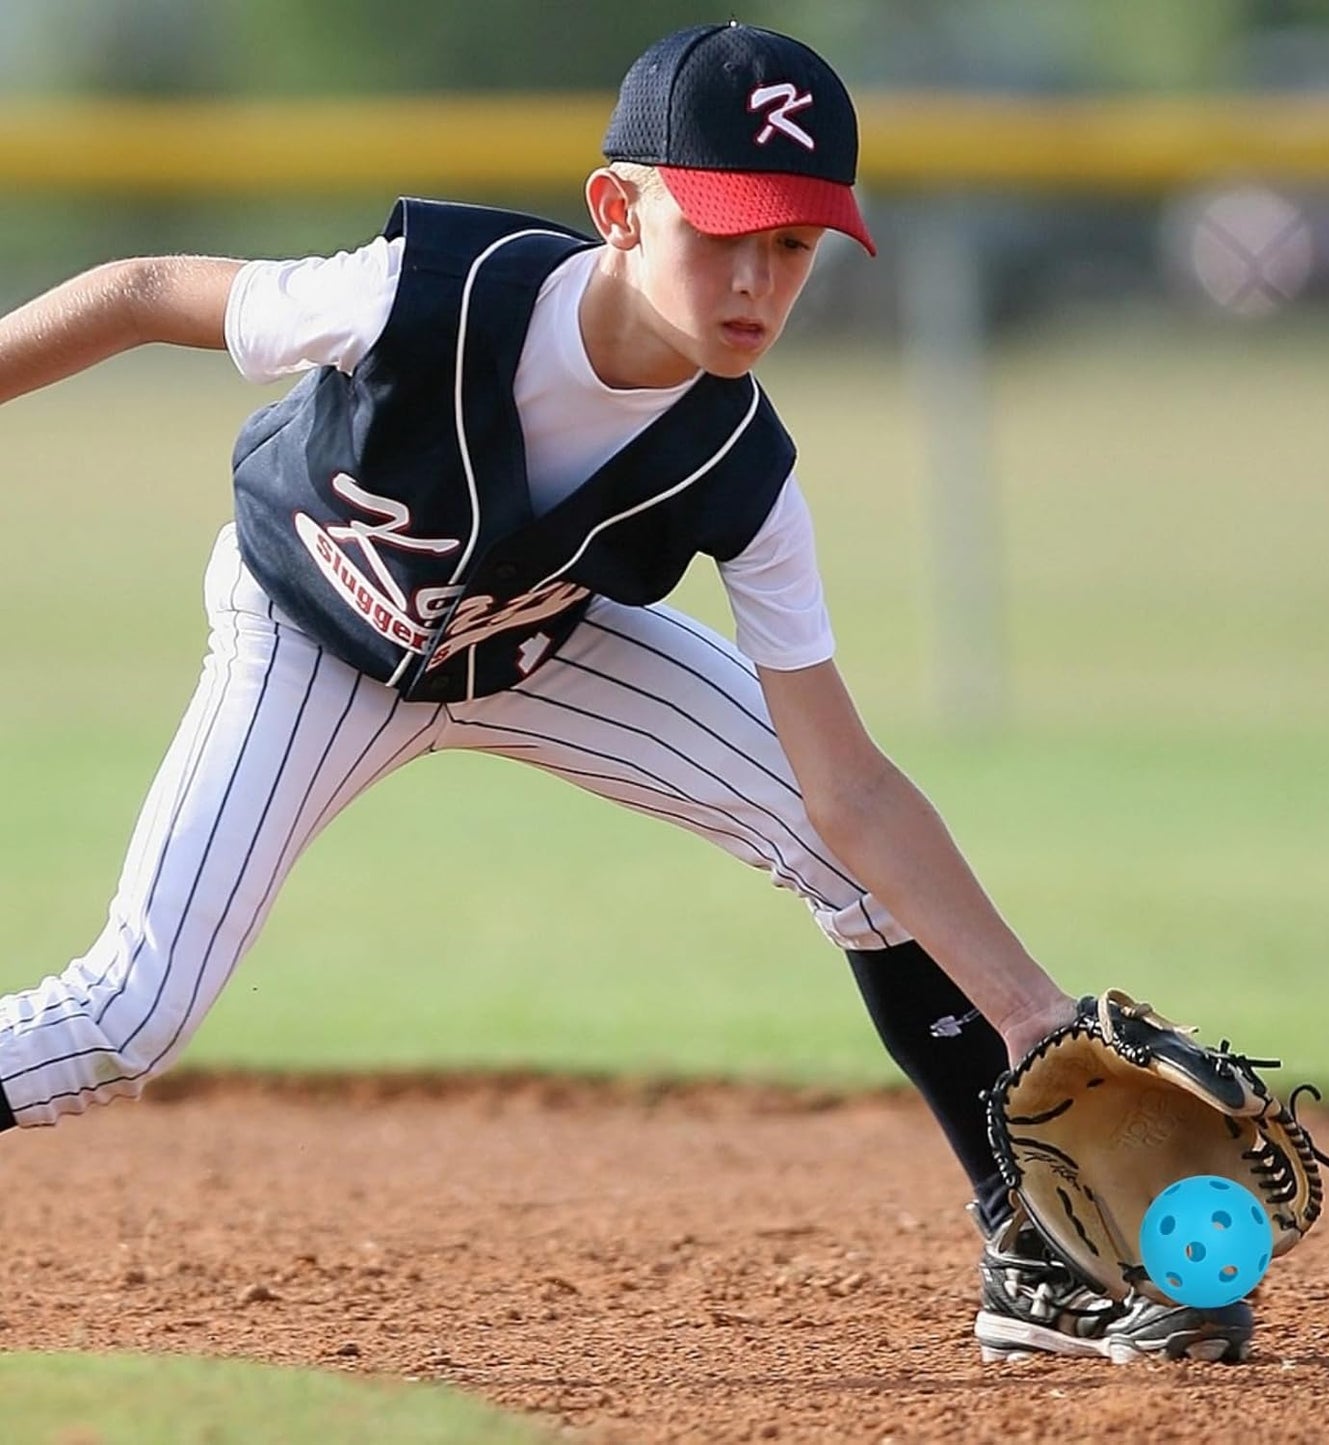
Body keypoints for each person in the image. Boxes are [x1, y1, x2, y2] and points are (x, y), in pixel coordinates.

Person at [0, 22, 1250, 1364]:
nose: (756, 280)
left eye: (792, 244)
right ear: (617, 208)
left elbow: (852, 787)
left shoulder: (745, 469)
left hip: (536, 646)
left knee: (861, 864)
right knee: (134, 1010)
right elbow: (138, 288)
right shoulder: (425, 292)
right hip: (309, 631)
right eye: (722, 231)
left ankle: (1027, 1248)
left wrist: (1033, 1016)